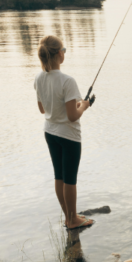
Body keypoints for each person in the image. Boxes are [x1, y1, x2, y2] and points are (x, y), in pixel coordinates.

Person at [35, 35, 95, 230]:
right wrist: (84, 105)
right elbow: (72, 116)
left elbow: (43, 109)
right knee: (70, 179)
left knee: (59, 176)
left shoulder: (38, 78)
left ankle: (69, 217)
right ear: (59, 54)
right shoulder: (67, 81)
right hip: (68, 136)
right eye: (64, 50)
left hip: (50, 132)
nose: (64, 53)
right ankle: (73, 220)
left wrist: (76, 105)